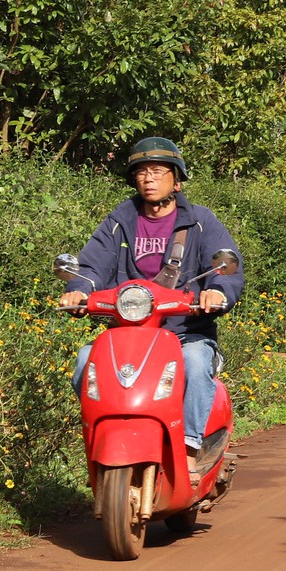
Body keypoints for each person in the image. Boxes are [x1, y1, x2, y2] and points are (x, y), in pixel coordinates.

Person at [61, 137, 246, 469]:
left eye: (158, 171)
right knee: (85, 361)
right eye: (142, 172)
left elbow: (225, 268)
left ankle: (190, 450)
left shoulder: (201, 221)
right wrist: (78, 289)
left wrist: (217, 291)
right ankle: (100, 437)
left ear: (176, 179)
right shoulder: (119, 221)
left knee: (192, 361)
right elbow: (93, 266)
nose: (149, 179)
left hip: (185, 331)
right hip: (128, 336)